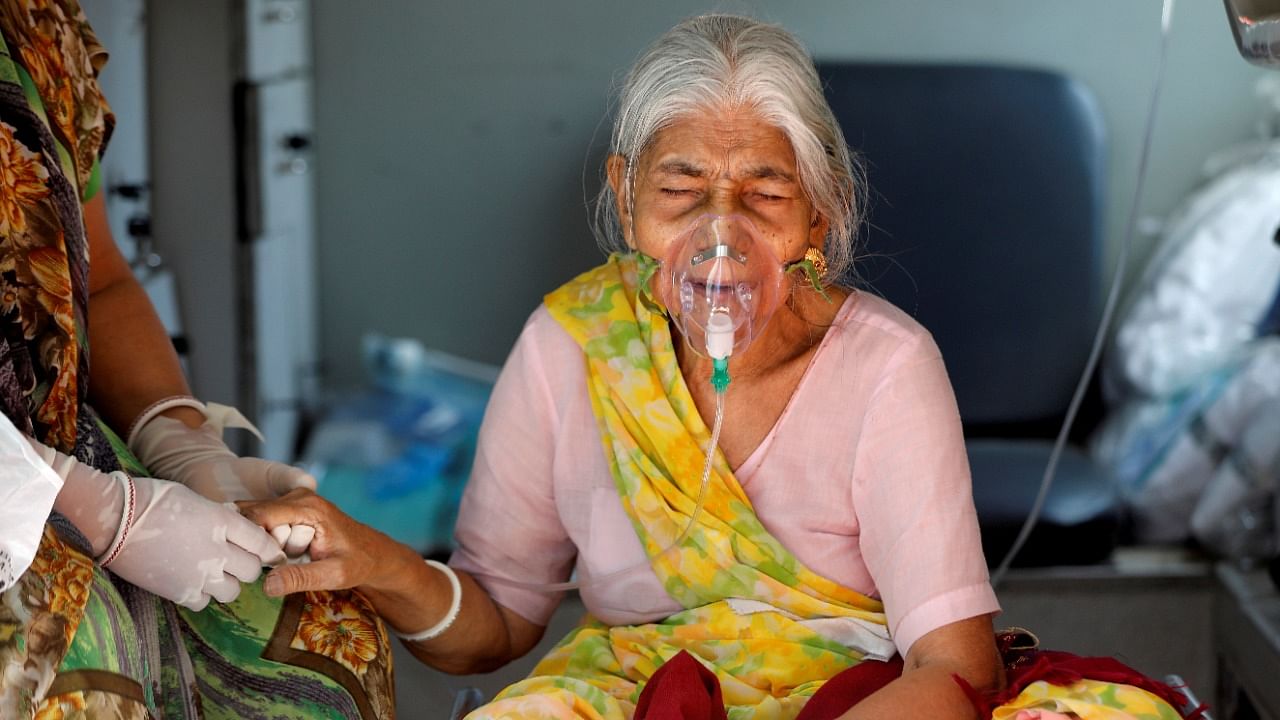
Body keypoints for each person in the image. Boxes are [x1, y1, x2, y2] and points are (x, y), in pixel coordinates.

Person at [240, 15, 1196, 720]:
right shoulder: (573, 344)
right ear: (625, 200)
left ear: (821, 214)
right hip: (635, 688)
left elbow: (952, 669)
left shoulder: (885, 367)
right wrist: (376, 560)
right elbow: (498, 622)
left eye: (765, 195)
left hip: (857, 694)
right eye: (681, 192)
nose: (719, 239)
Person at [0, 1, 393, 717]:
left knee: (331, 636)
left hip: (67, 449)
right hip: (22, 498)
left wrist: (177, 435)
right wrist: (92, 507)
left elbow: (105, 282)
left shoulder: (35, 26)